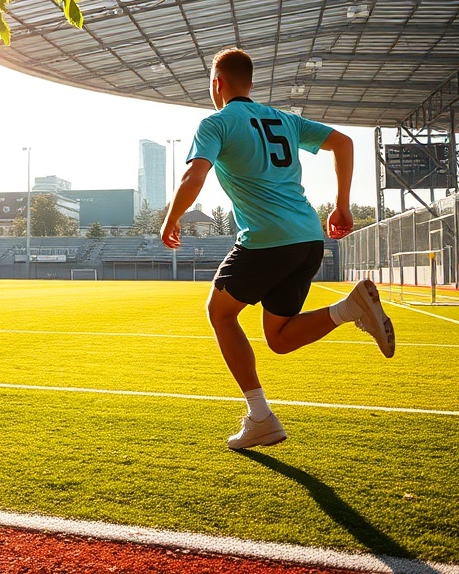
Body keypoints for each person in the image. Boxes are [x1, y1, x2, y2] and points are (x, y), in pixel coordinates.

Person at [160, 47, 395, 450]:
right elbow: (343, 143)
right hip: (307, 239)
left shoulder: (216, 123)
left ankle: (261, 418)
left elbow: (194, 176)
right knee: (280, 338)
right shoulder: (284, 119)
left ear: (217, 84)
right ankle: (349, 308)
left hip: (267, 239)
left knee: (219, 313)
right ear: (250, 83)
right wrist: (341, 205)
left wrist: (171, 218)